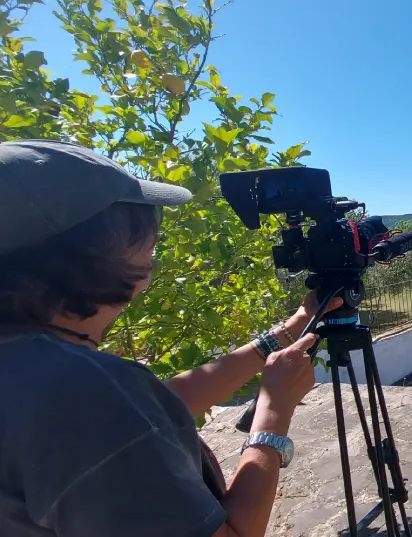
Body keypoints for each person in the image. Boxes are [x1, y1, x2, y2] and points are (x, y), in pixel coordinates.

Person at [0, 139, 341, 536]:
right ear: (98, 253)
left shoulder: (32, 367)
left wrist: (290, 327)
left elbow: (157, 407)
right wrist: (274, 413)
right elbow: (114, 414)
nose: (153, 254)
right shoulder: (83, 394)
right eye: (143, 237)